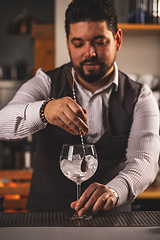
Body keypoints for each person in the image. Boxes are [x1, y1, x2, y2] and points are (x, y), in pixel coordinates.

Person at [0, 0, 159, 216]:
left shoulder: (140, 96)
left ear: (117, 40)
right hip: (46, 220)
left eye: (100, 42)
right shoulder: (45, 83)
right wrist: (44, 110)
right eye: (78, 43)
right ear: (67, 43)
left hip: (113, 223)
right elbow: (2, 124)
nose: (89, 52)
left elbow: (145, 161)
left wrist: (114, 190)